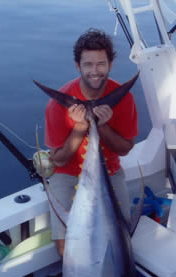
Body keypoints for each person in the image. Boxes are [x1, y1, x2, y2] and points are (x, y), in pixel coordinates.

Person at [45, 28, 138, 256]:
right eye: (88, 65)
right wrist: (79, 128)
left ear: (110, 64)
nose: (94, 71)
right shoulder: (58, 104)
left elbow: (125, 149)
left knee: (122, 236)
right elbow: (58, 159)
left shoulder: (124, 98)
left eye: (100, 64)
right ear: (78, 66)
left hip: (109, 171)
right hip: (66, 173)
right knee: (65, 247)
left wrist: (102, 126)